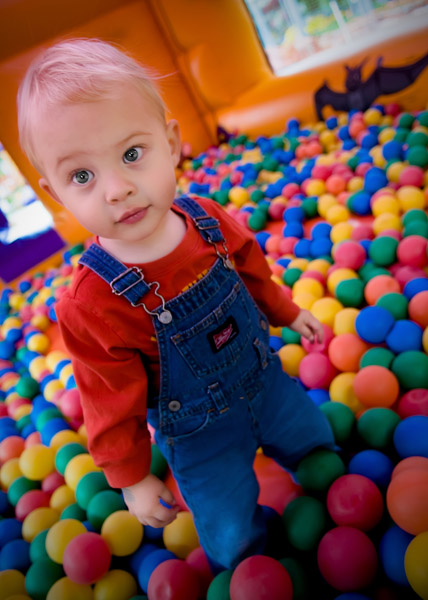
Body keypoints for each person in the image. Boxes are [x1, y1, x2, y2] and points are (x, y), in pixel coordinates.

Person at [17, 37, 335, 570]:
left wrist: (286, 311)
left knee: (317, 447)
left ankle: (325, 476)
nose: (116, 189)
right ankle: (254, 562)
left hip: (268, 384)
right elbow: (106, 396)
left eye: (132, 154)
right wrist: (132, 477)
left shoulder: (206, 220)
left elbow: (253, 271)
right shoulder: (90, 301)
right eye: (83, 176)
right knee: (229, 528)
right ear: (56, 196)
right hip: (199, 437)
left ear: (171, 142)